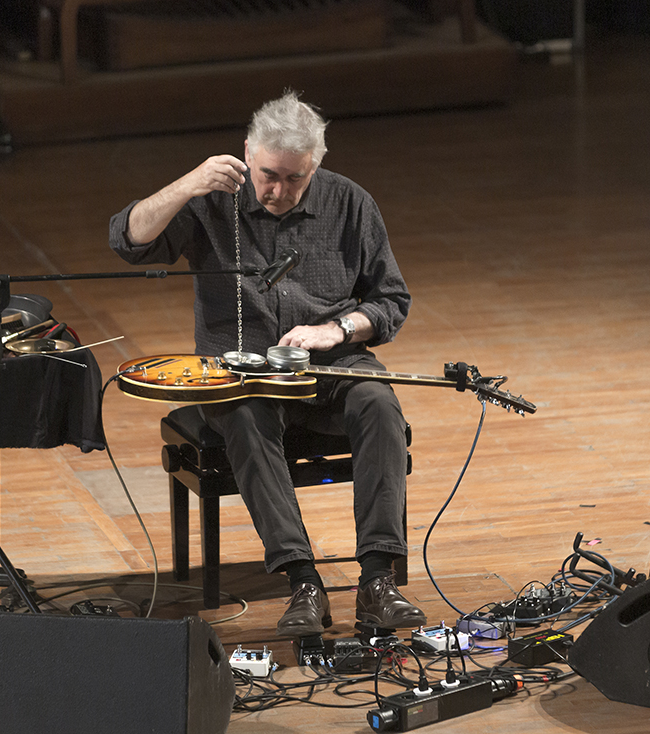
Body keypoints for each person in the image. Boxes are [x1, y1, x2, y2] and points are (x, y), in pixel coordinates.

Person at [108, 91, 426, 637]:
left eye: (294, 179)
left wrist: (336, 330)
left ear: (316, 166)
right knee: (247, 417)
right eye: (268, 175)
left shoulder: (351, 204)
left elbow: (391, 301)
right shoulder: (211, 199)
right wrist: (188, 184)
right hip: (242, 376)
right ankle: (302, 580)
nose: (278, 190)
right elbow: (128, 241)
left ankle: (378, 580)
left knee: (378, 403)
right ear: (247, 153)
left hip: (331, 365)